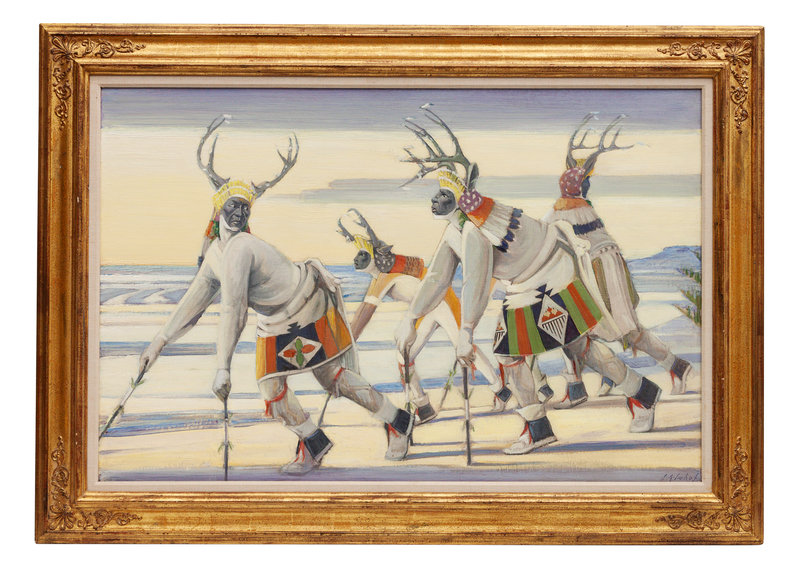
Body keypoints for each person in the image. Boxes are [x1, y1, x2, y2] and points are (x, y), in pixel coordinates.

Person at [139, 117, 413, 476]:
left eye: (244, 208)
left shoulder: (241, 247)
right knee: (272, 389)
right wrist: (158, 342)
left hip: (308, 305)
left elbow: (234, 310)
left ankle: (397, 421)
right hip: (276, 321)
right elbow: (194, 304)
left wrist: (222, 368)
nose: (239, 213)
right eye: (232, 206)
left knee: (333, 378)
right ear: (219, 209)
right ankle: (315, 442)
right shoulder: (217, 254)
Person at [395, 105, 663, 455]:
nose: (434, 200)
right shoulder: (457, 229)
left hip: (548, 277)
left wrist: (466, 332)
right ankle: (642, 392)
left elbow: (475, 280)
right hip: (540, 277)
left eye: (443, 195)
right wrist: (411, 318)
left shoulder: (474, 230)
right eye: (437, 193)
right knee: (575, 346)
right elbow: (437, 277)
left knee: (513, 353)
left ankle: (540, 427)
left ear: (459, 199)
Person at [541, 114, 692, 401]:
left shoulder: (565, 208)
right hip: (606, 264)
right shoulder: (583, 207)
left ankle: (590, 384)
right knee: (613, 328)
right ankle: (669, 367)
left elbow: (542, 235)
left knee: (591, 329)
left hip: (597, 269)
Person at [337, 209, 511, 423]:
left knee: (464, 347)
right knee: (404, 356)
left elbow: (364, 315)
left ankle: (500, 390)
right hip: (426, 311)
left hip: (443, 301)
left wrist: (344, 344)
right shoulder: (379, 279)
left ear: (375, 258)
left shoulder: (383, 279)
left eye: (362, 255)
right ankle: (423, 406)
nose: (356, 259)